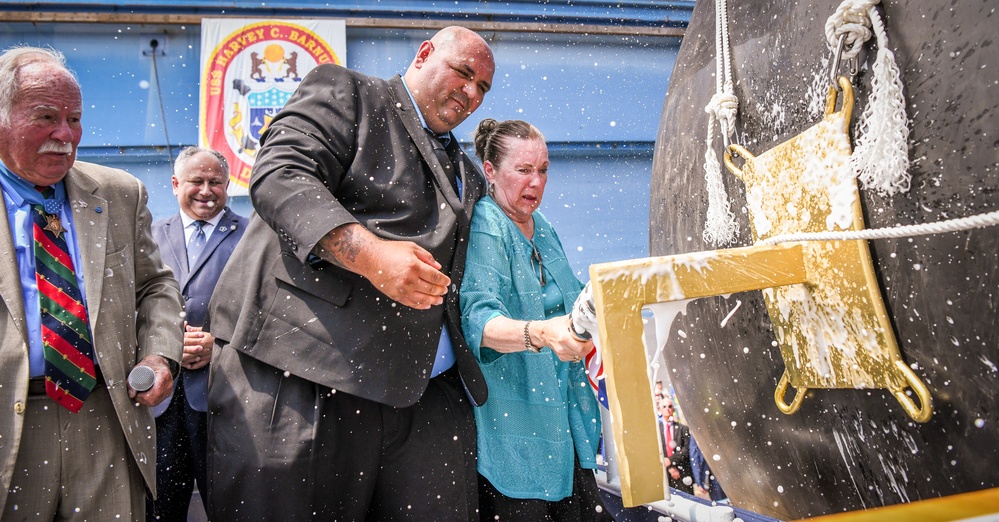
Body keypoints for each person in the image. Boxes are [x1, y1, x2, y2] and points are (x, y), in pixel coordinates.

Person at [205, 26, 495, 520]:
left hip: (425, 398)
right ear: (423, 54)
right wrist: (372, 256)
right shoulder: (348, 92)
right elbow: (281, 174)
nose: (471, 93)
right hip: (303, 378)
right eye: (464, 73)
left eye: (483, 88)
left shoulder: (469, 172)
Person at [0, 46, 183, 519]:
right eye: (45, 117)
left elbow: (156, 287)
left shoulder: (119, 192)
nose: (65, 134)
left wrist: (161, 354)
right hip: (10, 422)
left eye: (74, 118)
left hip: (107, 414)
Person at [460, 118, 612, 521]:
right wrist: (542, 333)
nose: (537, 182)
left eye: (543, 170)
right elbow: (478, 320)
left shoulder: (540, 225)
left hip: (565, 424)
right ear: (490, 171)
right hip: (517, 433)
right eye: (523, 170)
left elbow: (575, 297)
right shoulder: (488, 224)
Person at [147, 147, 245, 521]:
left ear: (227, 185)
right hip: (162, 398)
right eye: (196, 181)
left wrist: (219, 346)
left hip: (225, 398)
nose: (206, 190)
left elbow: (269, 314)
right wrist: (168, 345)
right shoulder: (150, 234)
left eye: (215, 182)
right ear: (175, 185)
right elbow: (134, 306)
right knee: (161, 505)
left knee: (229, 505)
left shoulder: (253, 237)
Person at [659, 397, 694, 494]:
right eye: (664, 406)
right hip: (665, 476)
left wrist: (671, 461)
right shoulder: (656, 430)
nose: (667, 409)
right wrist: (669, 468)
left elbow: (686, 450)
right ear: (660, 409)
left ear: (673, 409)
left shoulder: (683, 429)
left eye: (670, 406)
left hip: (682, 474)